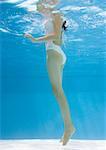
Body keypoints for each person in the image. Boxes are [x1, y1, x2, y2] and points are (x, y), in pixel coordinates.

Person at [24, 0, 76, 146]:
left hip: (53, 52)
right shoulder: (51, 15)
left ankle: (69, 127)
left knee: (58, 91)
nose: (38, 8)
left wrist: (35, 40)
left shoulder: (56, 13)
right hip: (56, 53)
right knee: (58, 91)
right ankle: (68, 127)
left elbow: (56, 37)